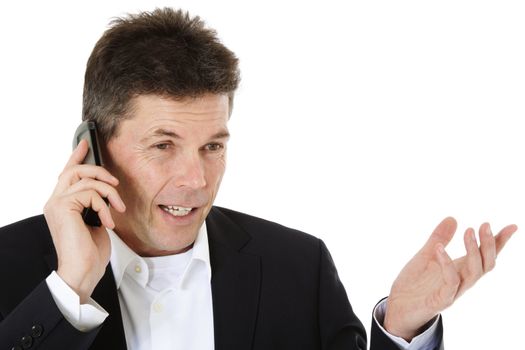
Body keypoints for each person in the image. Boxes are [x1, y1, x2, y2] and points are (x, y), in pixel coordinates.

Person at [0, 8, 517, 350]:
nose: (196, 179)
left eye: (213, 147)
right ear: (90, 149)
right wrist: (68, 292)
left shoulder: (298, 267)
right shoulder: (12, 266)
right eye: (163, 146)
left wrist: (403, 327)